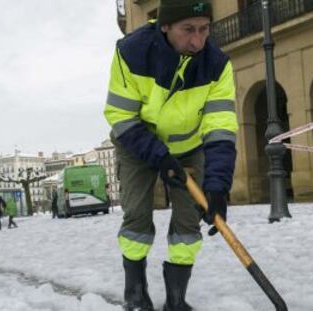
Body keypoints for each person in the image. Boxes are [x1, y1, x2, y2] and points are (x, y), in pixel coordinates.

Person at [104, 1, 238, 310]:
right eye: (188, 30)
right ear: (165, 25)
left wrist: (217, 187)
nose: (197, 41)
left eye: (204, 29)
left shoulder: (217, 64)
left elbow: (220, 129)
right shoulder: (131, 53)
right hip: (138, 143)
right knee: (137, 215)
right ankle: (135, 293)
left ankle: (177, 299)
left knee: (189, 222)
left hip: (190, 147)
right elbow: (121, 116)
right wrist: (160, 158)